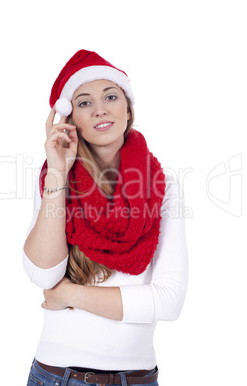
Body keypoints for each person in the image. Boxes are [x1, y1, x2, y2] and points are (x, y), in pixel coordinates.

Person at [23, 49, 188, 386]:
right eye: (83, 102)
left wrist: (70, 295)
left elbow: (169, 300)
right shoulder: (54, 178)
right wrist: (58, 172)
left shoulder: (162, 184)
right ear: (69, 120)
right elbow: (43, 274)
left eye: (110, 96)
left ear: (127, 110)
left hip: (137, 378)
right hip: (57, 376)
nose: (100, 108)